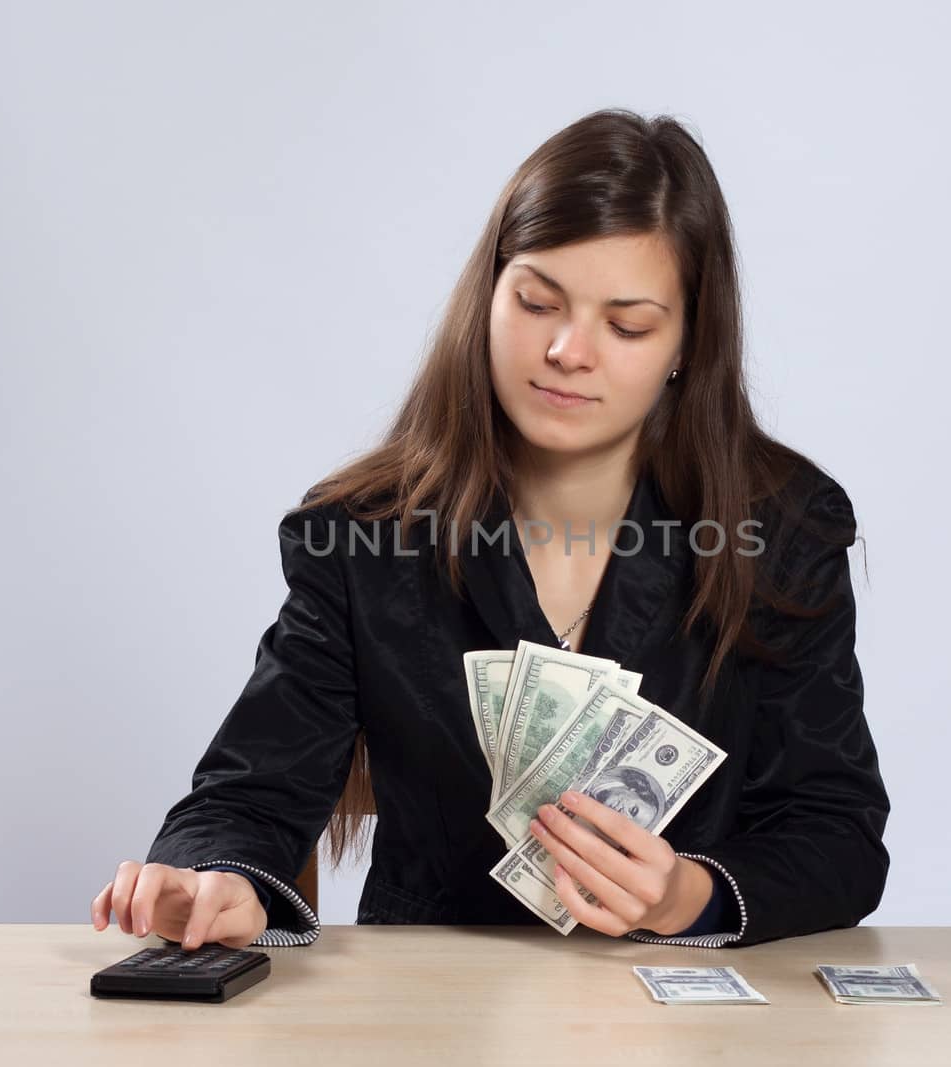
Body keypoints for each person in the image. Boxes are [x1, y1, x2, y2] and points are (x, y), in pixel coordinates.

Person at [89, 108, 890, 952]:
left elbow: (837, 832)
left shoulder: (782, 528)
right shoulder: (363, 537)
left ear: (688, 343)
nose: (568, 351)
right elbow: (247, 795)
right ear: (490, 296)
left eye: (627, 326)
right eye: (537, 303)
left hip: (681, 1015)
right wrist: (213, 878)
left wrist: (688, 894)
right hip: (433, 1010)